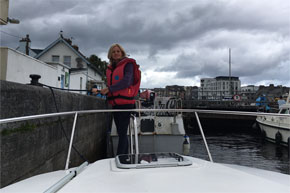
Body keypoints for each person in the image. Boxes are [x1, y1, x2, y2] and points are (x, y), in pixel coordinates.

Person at [92, 43, 139, 155]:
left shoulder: (128, 65)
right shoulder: (111, 68)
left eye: (118, 51)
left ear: (122, 53)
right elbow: (111, 86)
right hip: (116, 104)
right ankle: (124, 157)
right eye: (114, 52)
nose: (116, 53)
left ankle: (121, 157)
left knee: (122, 132)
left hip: (126, 104)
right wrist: (101, 91)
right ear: (110, 55)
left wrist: (109, 89)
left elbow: (126, 81)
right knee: (120, 132)